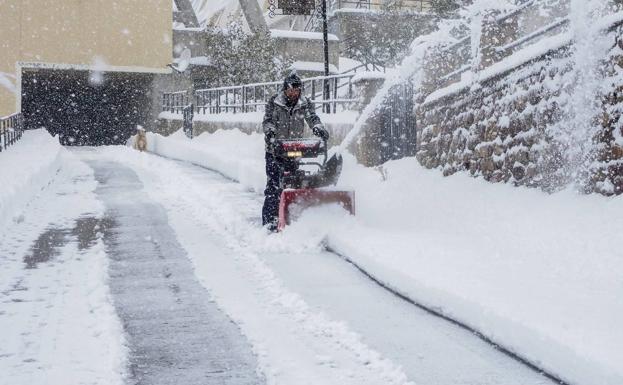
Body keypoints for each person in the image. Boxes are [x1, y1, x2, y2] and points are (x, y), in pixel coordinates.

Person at [262, 72, 329, 231]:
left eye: (297, 90)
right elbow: (268, 121)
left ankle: (291, 216)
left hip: (294, 149)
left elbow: (312, 118)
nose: (294, 93)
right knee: (274, 185)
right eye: (291, 90)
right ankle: (270, 221)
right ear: (285, 89)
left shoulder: (304, 103)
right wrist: (270, 132)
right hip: (275, 150)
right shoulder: (274, 102)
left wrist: (318, 128)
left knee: (294, 183)